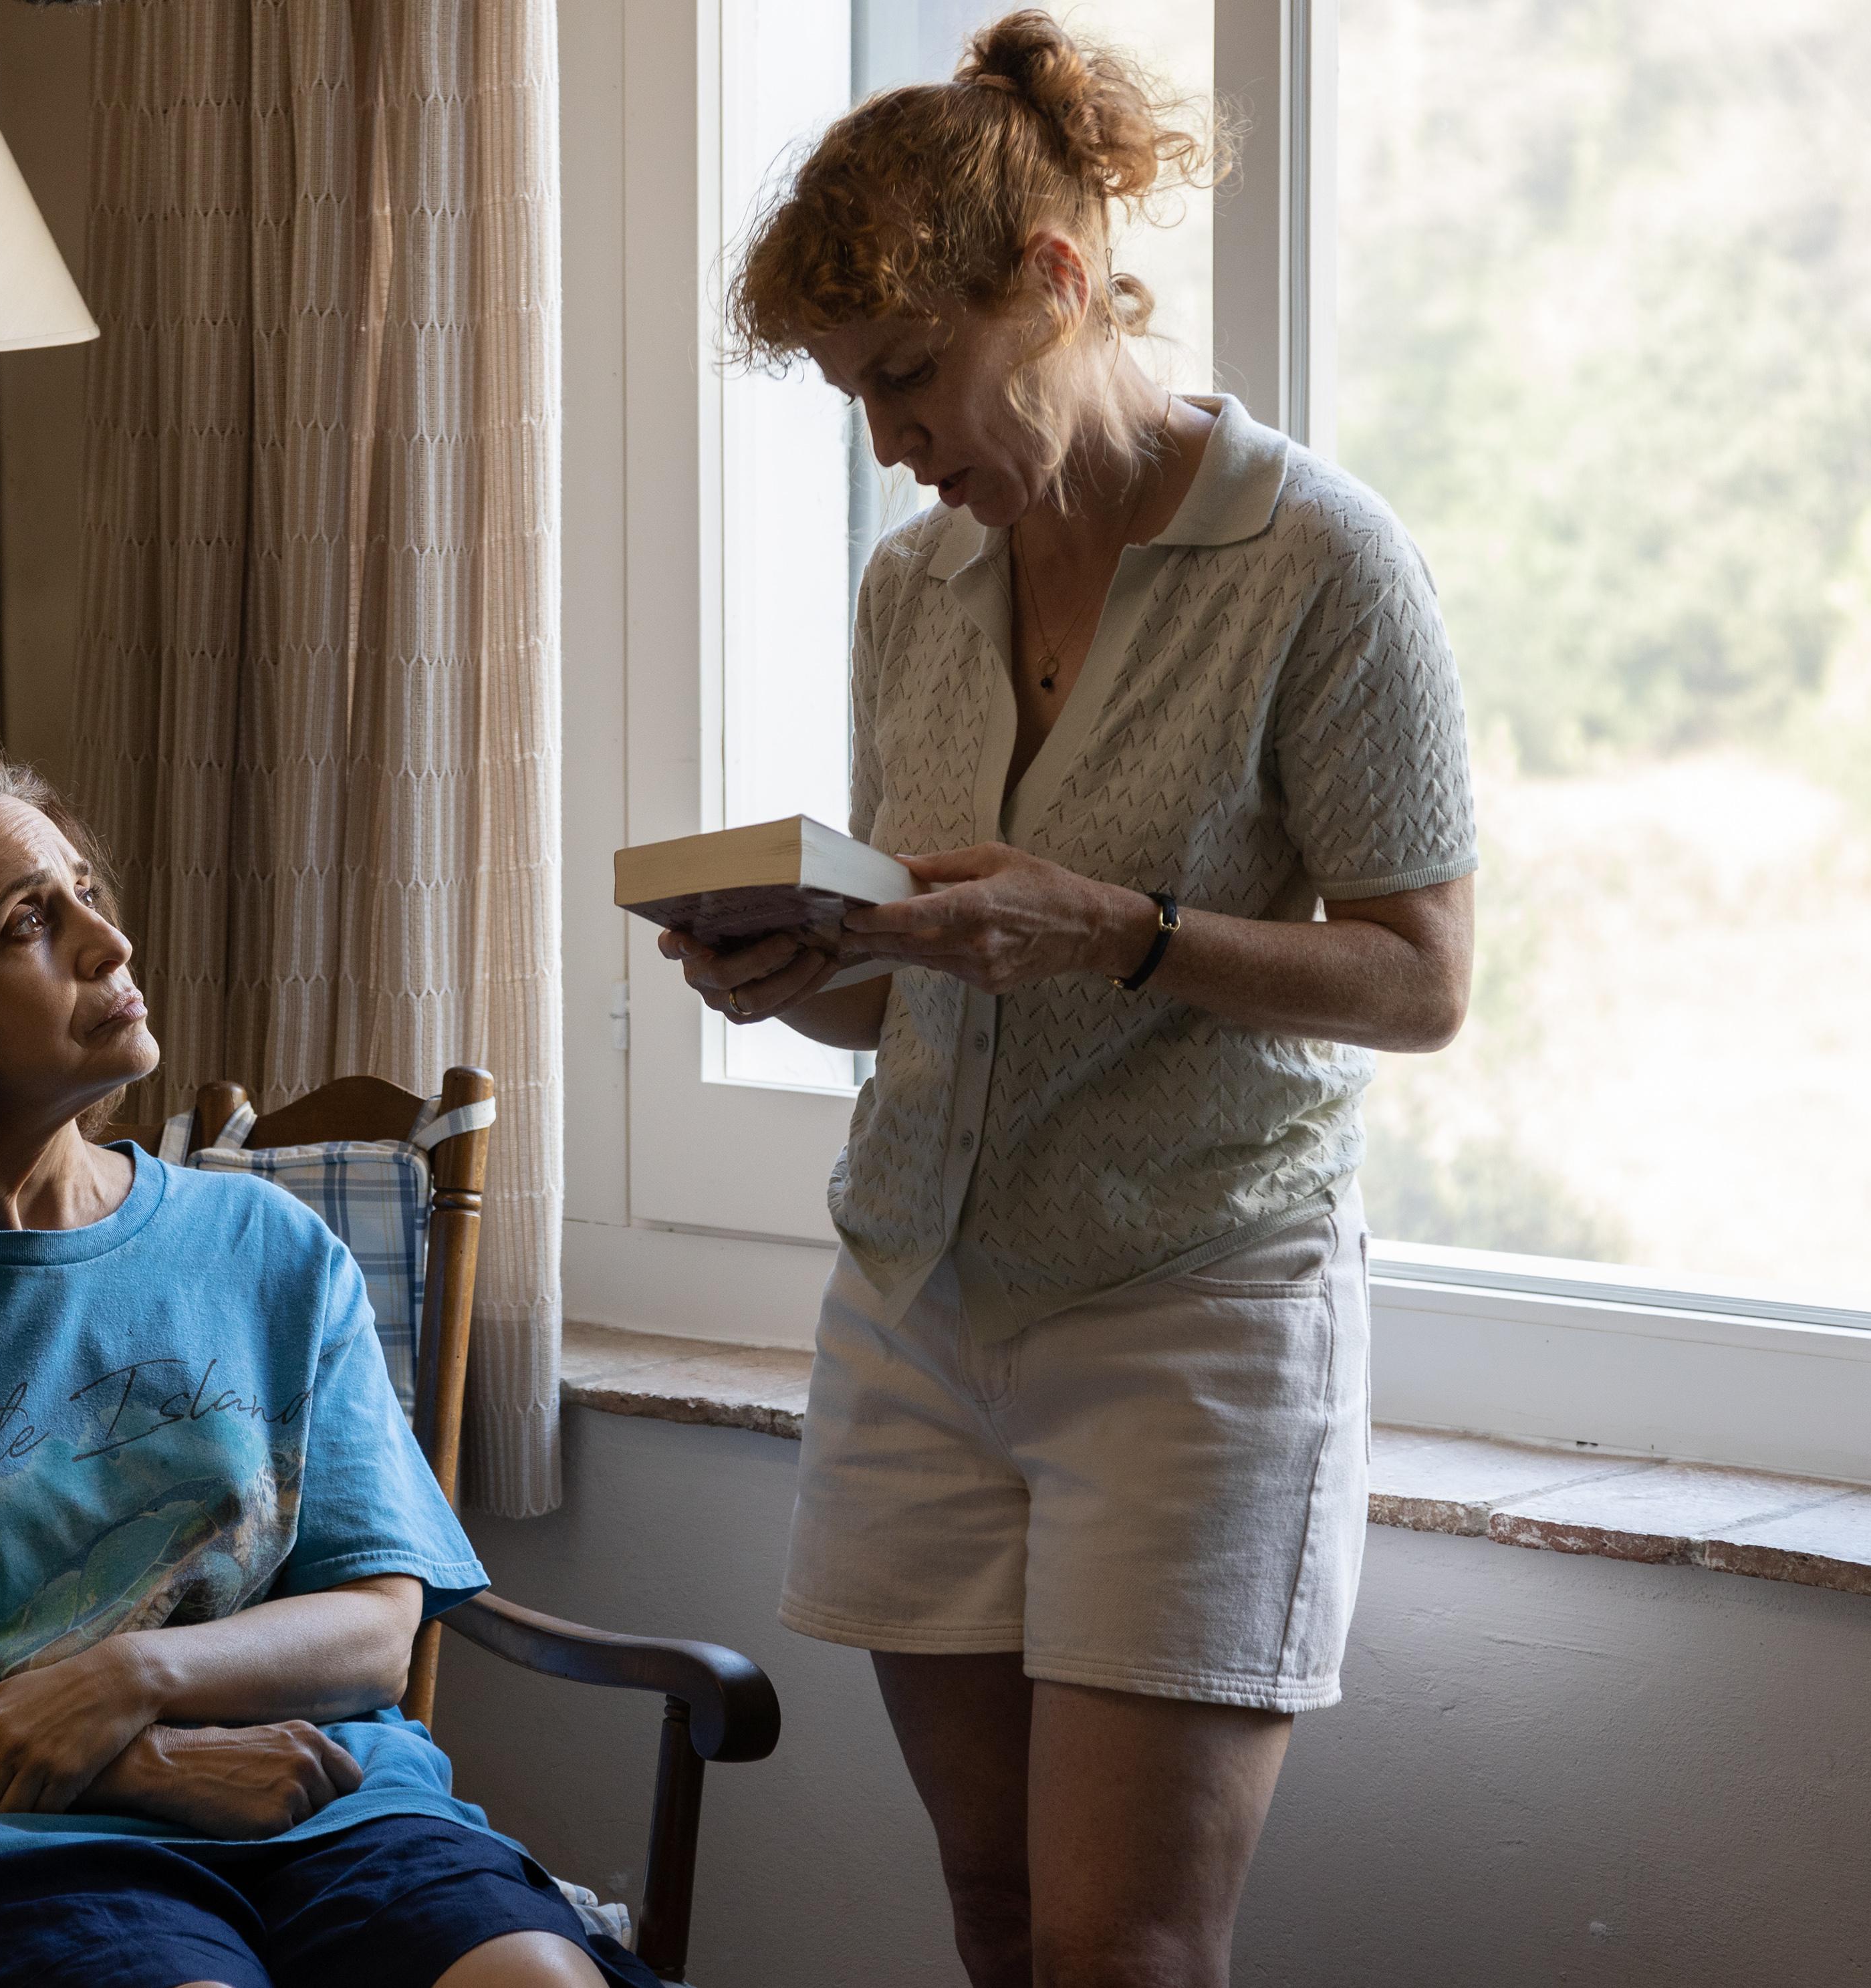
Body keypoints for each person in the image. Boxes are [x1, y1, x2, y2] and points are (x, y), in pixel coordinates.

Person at [673, 13, 1477, 1987]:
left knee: (1121, 1946)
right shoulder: (909, 590)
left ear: (1047, 284)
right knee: (994, 1918)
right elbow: (935, 977)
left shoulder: (1317, 565)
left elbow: (1419, 976)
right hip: (916, 1306)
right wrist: (802, 979)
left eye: (905, 380)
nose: (887, 444)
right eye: (858, 402)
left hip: (1185, 1317)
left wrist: (1117, 929)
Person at [0, 744, 655, 1988]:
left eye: (86, 894)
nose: (107, 942)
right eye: (28, 921)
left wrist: (131, 1674)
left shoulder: (270, 1250)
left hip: (329, 1806)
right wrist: (129, 1758)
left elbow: (379, 1631)